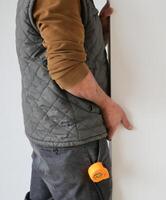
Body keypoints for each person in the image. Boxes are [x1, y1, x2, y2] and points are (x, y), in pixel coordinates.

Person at [15, 0, 133, 199]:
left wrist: (97, 32)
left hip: (50, 133)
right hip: (72, 137)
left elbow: (52, 53)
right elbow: (68, 70)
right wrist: (107, 105)